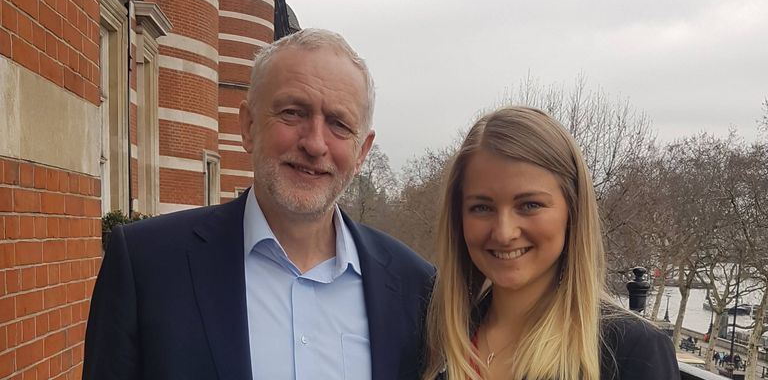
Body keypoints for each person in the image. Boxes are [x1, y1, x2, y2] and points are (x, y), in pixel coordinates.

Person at [83, 29, 434, 380]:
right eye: (293, 113)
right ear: (248, 126)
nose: (314, 143)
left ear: (362, 152)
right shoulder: (147, 265)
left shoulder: (413, 287)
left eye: (339, 125)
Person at [421, 107, 679, 380]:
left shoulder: (632, 352)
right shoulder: (436, 337)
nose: (504, 233)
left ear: (573, 211)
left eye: (529, 205)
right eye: (482, 208)